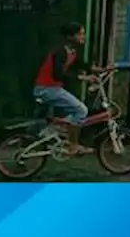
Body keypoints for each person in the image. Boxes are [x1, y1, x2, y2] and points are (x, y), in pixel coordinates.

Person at [33, 22, 105, 156]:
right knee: (81, 110)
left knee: (75, 112)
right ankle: (73, 146)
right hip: (46, 89)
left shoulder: (71, 51)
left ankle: (59, 130)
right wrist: (84, 78)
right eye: (80, 34)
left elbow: (81, 65)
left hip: (52, 89)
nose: (83, 36)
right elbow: (58, 74)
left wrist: (101, 70)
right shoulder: (60, 51)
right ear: (70, 36)